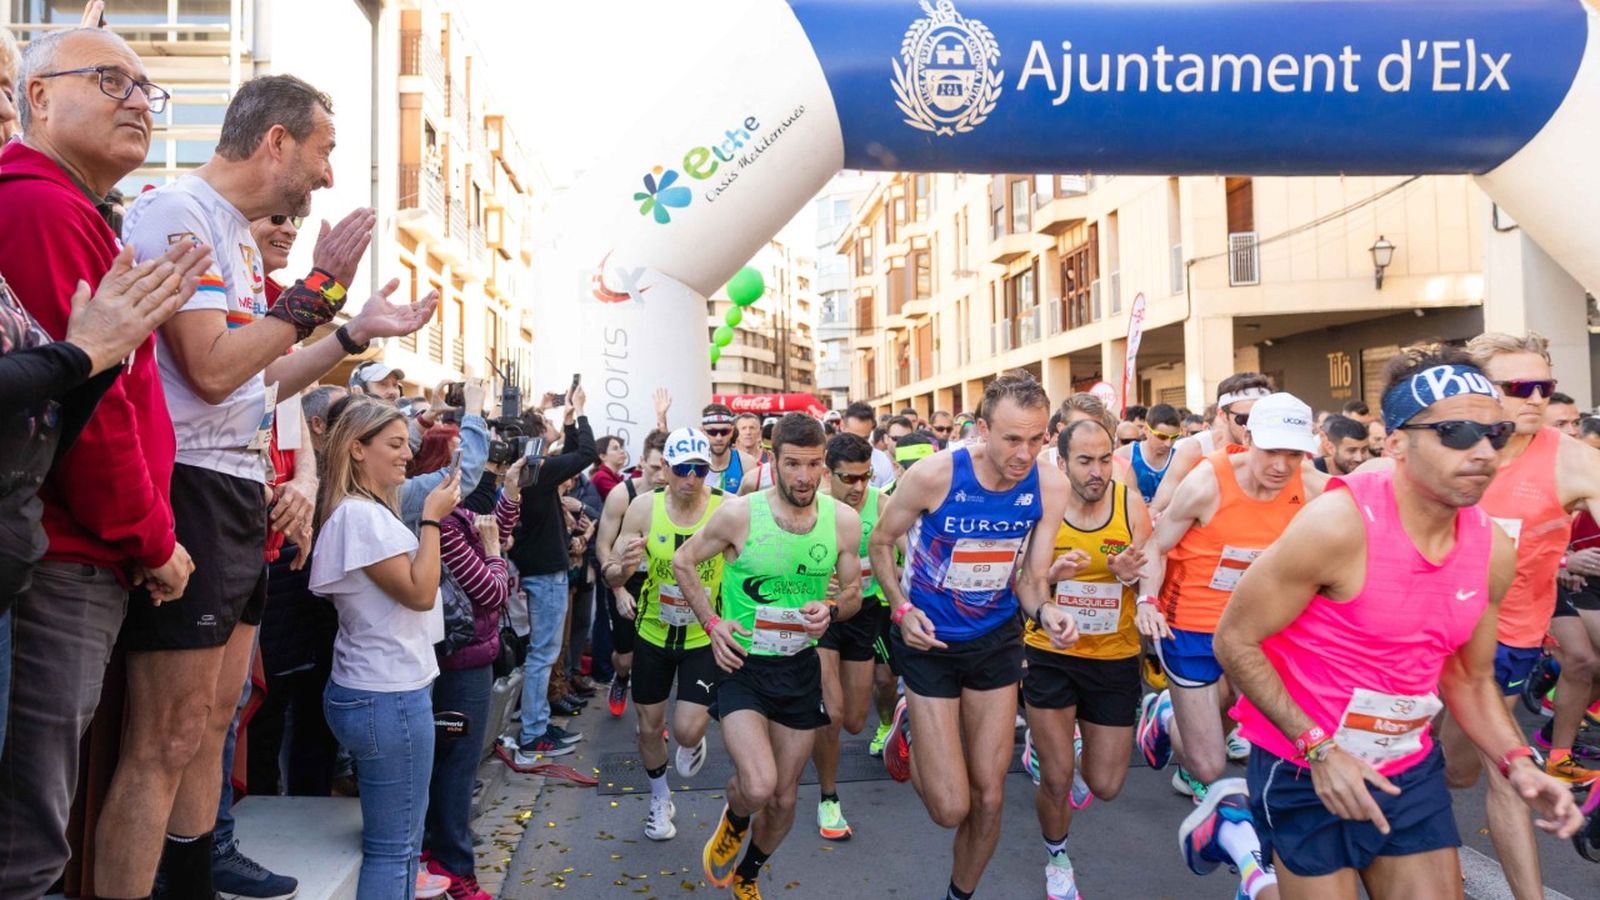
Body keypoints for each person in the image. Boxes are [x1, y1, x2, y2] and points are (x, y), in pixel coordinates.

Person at [105, 72, 434, 899]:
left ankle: (197, 869)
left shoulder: (236, 236)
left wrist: (351, 330)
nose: (328, 176)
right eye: (324, 151)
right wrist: (319, 289)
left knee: (214, 719)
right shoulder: (178, 213)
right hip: (187, 485)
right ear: (276, 140)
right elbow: (213, 373)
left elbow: (263, 380)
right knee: (166, 736)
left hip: (234, 488)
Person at [1214, 349, 1584, 898]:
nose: (1483, 451)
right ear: (1397, 445)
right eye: (1456, 433)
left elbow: (1469, 676)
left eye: (1496, 433)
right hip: (1305, 763)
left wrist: (1518, 762)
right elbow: (1235, 639)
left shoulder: (1493, 549)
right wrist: (1319, 748)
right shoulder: (1337, 526)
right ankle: (1240, 842)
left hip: (1405, 765)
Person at [0, 26, 210, 896]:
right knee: (30, 832)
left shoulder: (72, 207)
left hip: (81, 551)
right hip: (66, 554)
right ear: (38, 99)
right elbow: (84, 414)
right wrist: (150, 538)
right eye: (111, 79)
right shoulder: (37, 206)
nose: (138, 101)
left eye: (146, 89)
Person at [874, 371, 1076, 900]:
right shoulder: (935, 476)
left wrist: (1048, 611)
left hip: (995, 638)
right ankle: (910, 727)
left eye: (1037, 439)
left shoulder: (1049, 484)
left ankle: (957, 895)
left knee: (988, 798)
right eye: (1012, 438)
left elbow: (1032, 579)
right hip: (929, 642)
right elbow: (880, 544)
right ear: (982, 429)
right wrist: (900, 610)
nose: (1024, 453)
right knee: (950, 808)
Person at [1134, 392, 1330, 899]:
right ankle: (1168, 718)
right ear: (1247, 439)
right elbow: (1156, 547)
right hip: (1194, 625)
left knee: (1277, 747)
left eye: (1294, 454)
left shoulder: (1315, 488)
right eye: (1272, 452)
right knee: (1207, 763)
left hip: (1265, 630)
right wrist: (1148, 600)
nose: (1282, 465)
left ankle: (1253, 866)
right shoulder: (1207, 482)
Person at [1437, 333, 1600, 897]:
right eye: (1516, 387)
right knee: (1507, 772)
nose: (1533, 399)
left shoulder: (1573, 460)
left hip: (1499, 643)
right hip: (1415, 631)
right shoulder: (1441, 446)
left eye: (1543, 387)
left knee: (1458, 770)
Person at [675, 414, 862, 898]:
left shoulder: (841, 521)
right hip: (743, 667)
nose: (803, 476)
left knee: (782, 799)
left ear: (825, 465)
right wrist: (713, 625)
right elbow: (684, 562)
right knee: (758, 785)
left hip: (800, 668)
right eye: (793, 464)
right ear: (773, 461)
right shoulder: (740, 514)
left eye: (814, 465)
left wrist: (833, 609)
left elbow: (855, 594)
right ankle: (734, 823)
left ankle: (749, 873)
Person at [311, 400, 460, 899]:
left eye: (407, 444)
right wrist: (433, 521)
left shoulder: (362, 513)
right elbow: (420, 593)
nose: (406, 455)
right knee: (395, 851)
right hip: (387, 696)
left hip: (375, 689)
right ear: (357, 449)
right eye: (394, 445)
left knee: (392, 846)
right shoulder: (361, 517)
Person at [1021, 419, 1151, 900]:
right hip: (1051, 652)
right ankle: (1057, 857)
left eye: (1104, 459)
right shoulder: (1042, 509)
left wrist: (1130, 576)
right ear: (1062, 461)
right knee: (1056, 780)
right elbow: (1023, 584)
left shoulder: (1129, 503)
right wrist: (1050, 580)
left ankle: (1086, 741)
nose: (1097, 471)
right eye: (1084, 461)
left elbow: (1152, 572)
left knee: (1106, 783)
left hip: (1115, 658)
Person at [609, 427, 727, 839]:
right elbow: (610, 574)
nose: (691, 479)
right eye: (682, 470)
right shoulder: (643, 508)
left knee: (687, 729)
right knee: (647, 727)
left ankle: (694, 739)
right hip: (654, 633)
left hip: (701, 636)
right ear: (665, 468)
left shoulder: (727, 509)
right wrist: (621, 568)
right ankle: (660, 798)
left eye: (699, 470)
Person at [425, 455, 525, 899]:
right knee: (456, 767)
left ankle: (445, 858)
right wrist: (495, 556)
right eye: (455, 463)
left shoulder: (454, 516)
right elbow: (492, 589)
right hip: (460, 663)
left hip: (470, 657)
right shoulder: (441, 527)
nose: (464, 474)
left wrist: (513, 493)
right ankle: (453, 867)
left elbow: (493, 529)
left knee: (454, 765)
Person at [810, 432, 895, 840]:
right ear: (830, 475)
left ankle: (894, 719)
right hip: (823, 616)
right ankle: (828, 798)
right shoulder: (813, 505)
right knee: (832, 714)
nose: (858, 487)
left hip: (865, 613)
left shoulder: (882, 503)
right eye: (848, 478)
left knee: (857, 723)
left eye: (865, 477)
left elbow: (910, 548)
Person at [509, 388, 598, 762]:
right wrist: (579, 413)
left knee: (543, 654)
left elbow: (573, 457)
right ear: (536, 435)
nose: (552, 429)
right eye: (547, 425)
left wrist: (567, 422)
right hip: (545, 572)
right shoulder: (538, 470)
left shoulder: (527, 469)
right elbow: (586, 455)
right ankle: (532, 733)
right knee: (543, 655)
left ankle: (539, 725)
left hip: (541, 568)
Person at [596, 429, 670, 718]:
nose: (661, 475)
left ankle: (651, 722)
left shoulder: (677, 496)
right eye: (654, 467)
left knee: (654, 658)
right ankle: (622, 677)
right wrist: (619, 589)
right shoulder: (621, 494)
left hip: (662, 581)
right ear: (641, 461)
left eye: (666, 467)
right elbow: (603, 546)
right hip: (626, 579)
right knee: (626, 659)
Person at [1149, 373, 1272, 515]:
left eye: (1263, 418)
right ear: (1222, 415)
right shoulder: (1196, 449)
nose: (1252, 426)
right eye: (1244, 419)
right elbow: (1160, 504)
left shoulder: (1280, 452)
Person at [1118, 403, 1181, 502]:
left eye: (1174, 437)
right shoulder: (1125, 455)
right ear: (1146, 430)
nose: (1168, 444)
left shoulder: (1179, 459)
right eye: (1162, 437)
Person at [702, 402, 757, 495]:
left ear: (732, 431)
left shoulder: (747, 463)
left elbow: (754, 504)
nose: (719, 438)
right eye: (712, 432)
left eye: (724, 431)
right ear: (703, 431)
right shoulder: (694, 463)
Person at [842, 401, 895, 487]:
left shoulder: (882, 460)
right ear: (842, 427)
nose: (858, 443)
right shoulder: (827, 459)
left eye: (864, 439)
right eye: (853, 437)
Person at [591, 434, 629, 499]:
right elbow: (625, 499)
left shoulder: (614, 476)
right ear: (603, 456)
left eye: (621, 448)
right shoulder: (601, 477)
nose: (622, 451)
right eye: (615, 448)